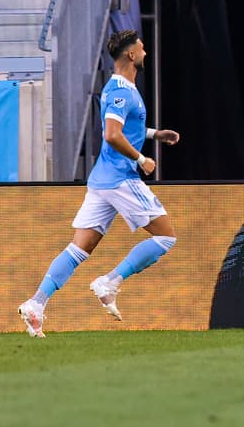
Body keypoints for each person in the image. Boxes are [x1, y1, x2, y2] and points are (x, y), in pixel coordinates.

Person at [17, 29, 180, 338]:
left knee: (79, 248)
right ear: (131, 55)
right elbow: (111, 134)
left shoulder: (120, 89)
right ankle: (111, 281)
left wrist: (155, 135)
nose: (145, 53)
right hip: (120, 177)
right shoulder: (122, 91)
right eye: (142, 49)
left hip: (102, 180)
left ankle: (36, 303)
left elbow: (125, 127)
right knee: (166, 237)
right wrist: (141, 159)